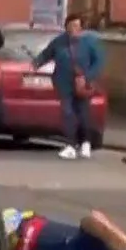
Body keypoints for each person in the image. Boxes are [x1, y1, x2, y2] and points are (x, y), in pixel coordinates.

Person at [37, 15, 104, 159]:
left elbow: (98, 62)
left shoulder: (89, 42)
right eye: (71, 25)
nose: (74, 28)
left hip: (83, 84)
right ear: (66, 26)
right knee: (68, 113)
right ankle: (70, 145)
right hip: (64, 83)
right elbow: (46, 54)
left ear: (81, 27)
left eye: (76, 25)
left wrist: (88, 77)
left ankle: (85, 143)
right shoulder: (59, 42)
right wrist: (35, 64)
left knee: (84, 113)